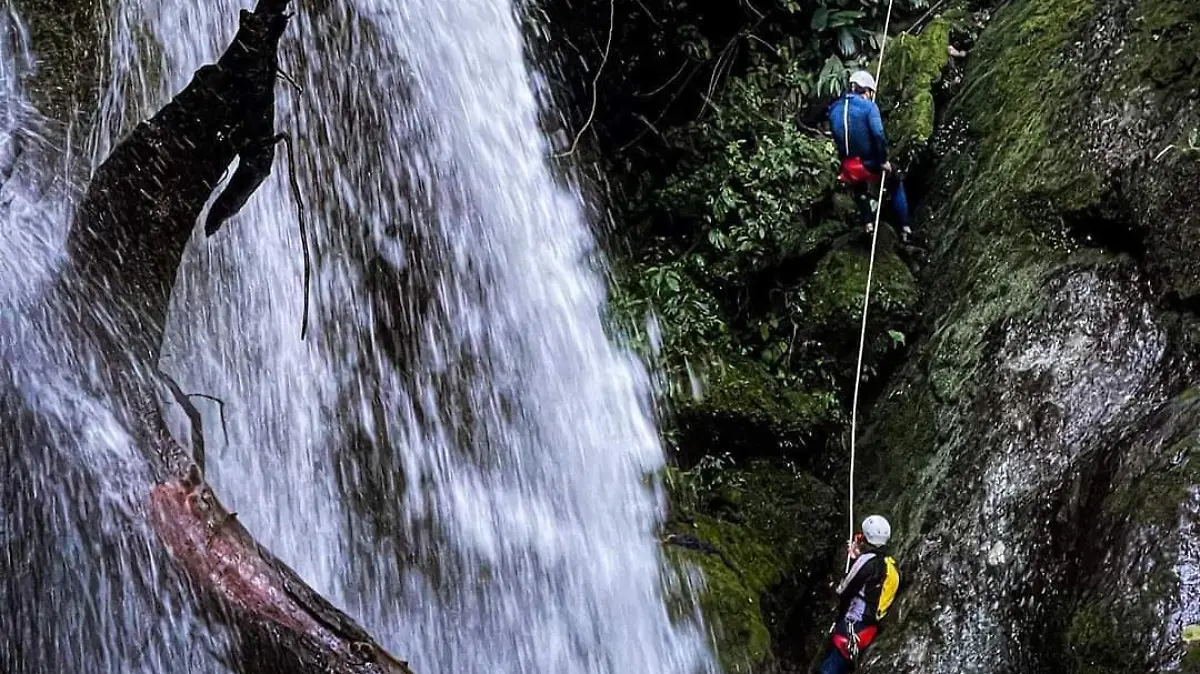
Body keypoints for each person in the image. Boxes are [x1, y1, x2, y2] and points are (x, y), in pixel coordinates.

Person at [826, 71, 913, 242]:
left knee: (859, 188)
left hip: (849, 166)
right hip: (869, 164)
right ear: (866, 91)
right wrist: (883, 161)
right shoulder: (869, 107)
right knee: (895, 180)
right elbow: (878, 134)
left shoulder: (834, 109)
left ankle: (868, 224)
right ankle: (905, 228)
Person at [818, 514, 901, 674]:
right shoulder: (891, 565)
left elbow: (843, 590)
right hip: (869, 628)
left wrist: (851, 564)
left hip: (852, 625)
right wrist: (857, 558)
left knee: (829, 668)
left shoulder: (866, 561)